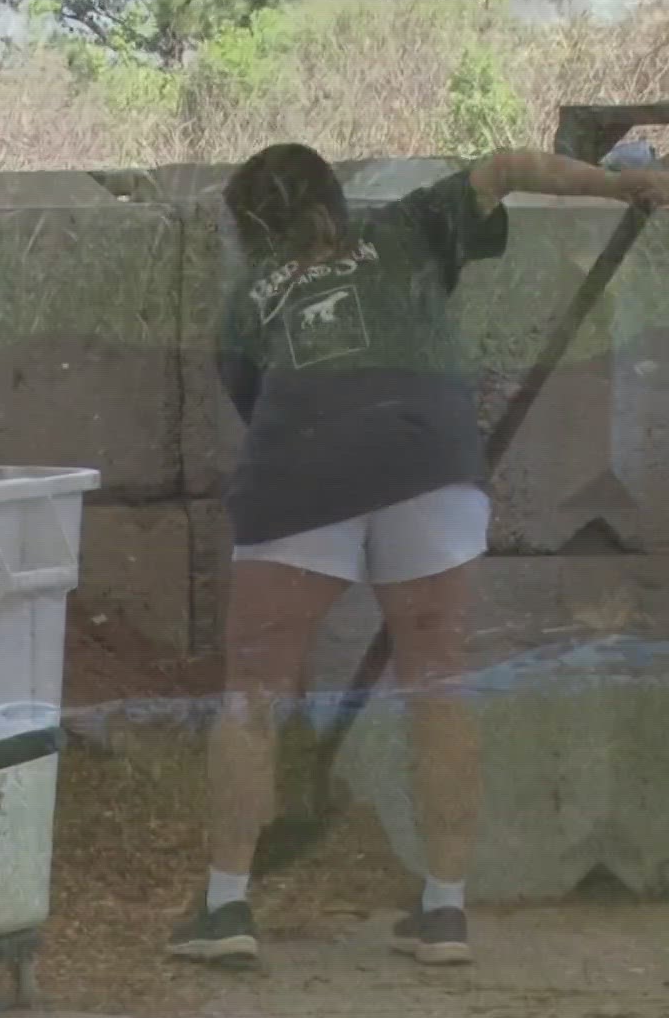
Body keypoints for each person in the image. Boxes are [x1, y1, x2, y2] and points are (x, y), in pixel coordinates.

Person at [167, 142, 669, 969]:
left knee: (251, 694)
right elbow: (506, 165)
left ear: (251, 229)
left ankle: (226, 907)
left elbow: (260, 408)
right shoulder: (409, 226)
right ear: (335, 199)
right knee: (438, 684)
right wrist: (622, 184)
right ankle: (444, 913)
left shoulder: (247, 300)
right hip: (430, 463)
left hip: (301, 472)